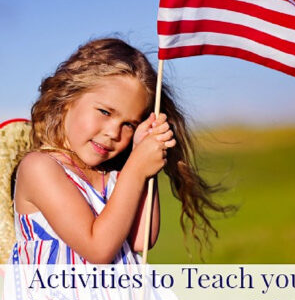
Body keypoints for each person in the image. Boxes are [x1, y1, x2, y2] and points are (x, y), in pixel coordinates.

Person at [9, 37, 229, 265]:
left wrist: (143, 160)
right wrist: (136, 169)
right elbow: (97, 248)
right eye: (105, 112)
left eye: (129, 124)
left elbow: (142, 239)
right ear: (68, 98)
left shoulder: (114, 174)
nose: (114, 132)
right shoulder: (40, 168)